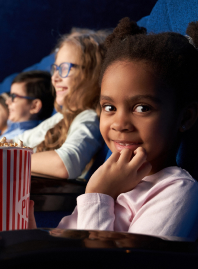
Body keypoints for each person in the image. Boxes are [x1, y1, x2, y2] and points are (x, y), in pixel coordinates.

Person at [30, 18, 198, 240]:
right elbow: (67, 240)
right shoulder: (109, 176)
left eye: (142, 108)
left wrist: (100, 195)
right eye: (109, 107)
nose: (119, 124)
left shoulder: (176, 191)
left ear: (185, 117)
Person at [13, 31, 107, 179]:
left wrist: (5, 159)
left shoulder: (89, 118)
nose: (55, 78)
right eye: (55, 69)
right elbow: (19, 141)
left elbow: (65, 163)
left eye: (64, 68)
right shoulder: (59, 118)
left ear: (91, 73)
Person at [2, 70, 54, 139]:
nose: (7, 102)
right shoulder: (10, 127)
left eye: (14, 96)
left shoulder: (24, 140)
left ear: (34, 106)